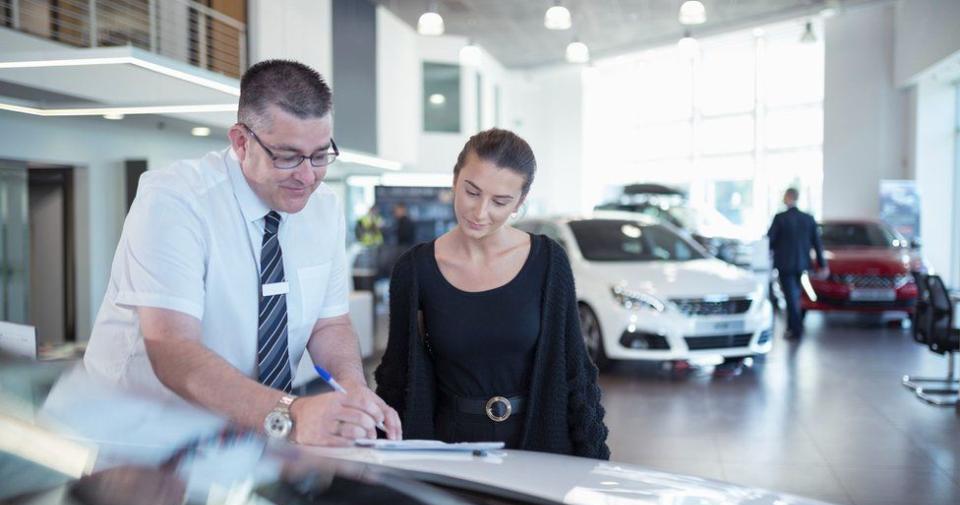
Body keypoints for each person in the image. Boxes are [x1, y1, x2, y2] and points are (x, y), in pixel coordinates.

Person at [42, 59, 401, 464]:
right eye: (288, 156)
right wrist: (291, 413)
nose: (308, 176)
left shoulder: (324, 209)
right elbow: (173, 349)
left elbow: (330, 323)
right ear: (241, 141)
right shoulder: (175, 200)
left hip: (237, 435)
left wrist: (352, 389)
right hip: (133, 441)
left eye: (320, 155)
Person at [374, 129, 610, 459]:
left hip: (539, 445)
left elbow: (575, 370)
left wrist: (592, 458)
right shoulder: (415, 270)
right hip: (449, 448)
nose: (480, 212)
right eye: (472, 192)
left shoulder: (547, 261)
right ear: (455, 179)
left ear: (520, 203)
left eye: (500, 202)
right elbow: (398, 377)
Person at [767, 187, 827, 340]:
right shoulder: (808, 218)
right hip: (802, 264)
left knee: (791, 296)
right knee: (795, 295)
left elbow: (770, 240)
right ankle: (793, 326)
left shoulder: (780, 218)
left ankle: (796, 328)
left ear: (788, 197)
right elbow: (817, 244)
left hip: (784, 264)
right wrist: (823, 264)